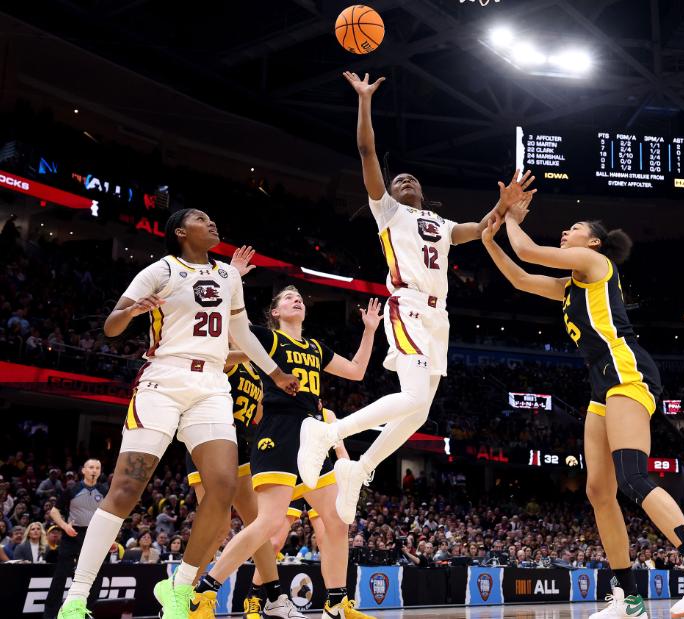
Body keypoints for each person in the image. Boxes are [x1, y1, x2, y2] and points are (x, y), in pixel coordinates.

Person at [480, 197, 684, 619]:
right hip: (601, 384)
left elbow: (527, 251)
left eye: (574, 227)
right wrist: (490, 240)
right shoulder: (570, 287)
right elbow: (520, 277)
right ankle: (630, 599)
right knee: (599, 491)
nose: (566, 233)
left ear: (594, 242)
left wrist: (509, 216)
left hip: (626, 369)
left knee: (633, 476)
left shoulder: (593, 264)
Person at [295, 72, 534, 521]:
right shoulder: (387, 211)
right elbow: (367, 151)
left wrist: (505, 205)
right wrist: (365, 101)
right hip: (405, 306)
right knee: (410, 396)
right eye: (397, 177)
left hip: (438, 318)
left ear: (423, 192)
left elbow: (482, 229)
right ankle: (326, 434)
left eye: (410, 178)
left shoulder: (442, 226)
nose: (403, 180)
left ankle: (360, 468)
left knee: (420, 412)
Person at [58, 210, 300, 619]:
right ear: (181, 232)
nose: (212, 222)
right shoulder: (161, 270)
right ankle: (77, 596)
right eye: (202, 219)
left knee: (223, 488)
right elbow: (111, 327)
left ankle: (180, 589)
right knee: (126, 489)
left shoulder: (229, 277)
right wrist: (134, 311)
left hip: (211, 385)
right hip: (163, 380)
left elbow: (239, 334)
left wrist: (274, 372)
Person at [186, 287, 380, 619]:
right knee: (270, 521)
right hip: (279, 430)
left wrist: (370, 330)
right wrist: (234, 283)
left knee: (337, 519)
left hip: (313, 435)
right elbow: (236, 327)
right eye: (288, 298)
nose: (297, 299)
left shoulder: (316, 348)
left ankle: (337, 603)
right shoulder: (267, 339)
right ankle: (205, 592)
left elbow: (357, 371)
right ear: (275, 313)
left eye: (300, 297)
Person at [43, 459, 107, 619]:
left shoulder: (105, 491)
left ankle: (86, 613)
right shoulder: (73, 489)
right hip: (72, 534)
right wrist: (65, 526)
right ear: (84, 470)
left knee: (95, 577)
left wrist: (109, 538)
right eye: (91, 467)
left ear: (100, 471)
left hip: (94, 536)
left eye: (97, 468)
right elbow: (54, 512)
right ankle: (50, 615)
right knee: (61, 575)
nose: (94, 470)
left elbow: (109, 518)